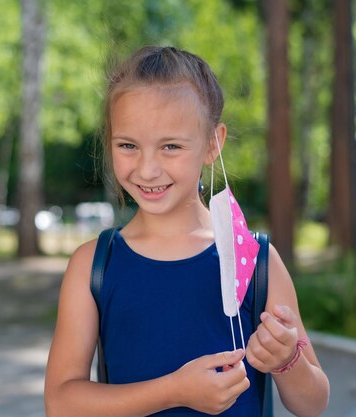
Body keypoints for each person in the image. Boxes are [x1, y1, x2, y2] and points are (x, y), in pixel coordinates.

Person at [44, 46, 329, 417]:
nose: (147, 170)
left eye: (171, 147)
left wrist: (287, 360)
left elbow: (313, 404)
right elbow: (61, 404)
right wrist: (174, 391)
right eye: (128, 145)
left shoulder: (255, 260)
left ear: (213, 143)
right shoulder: (94, 265)